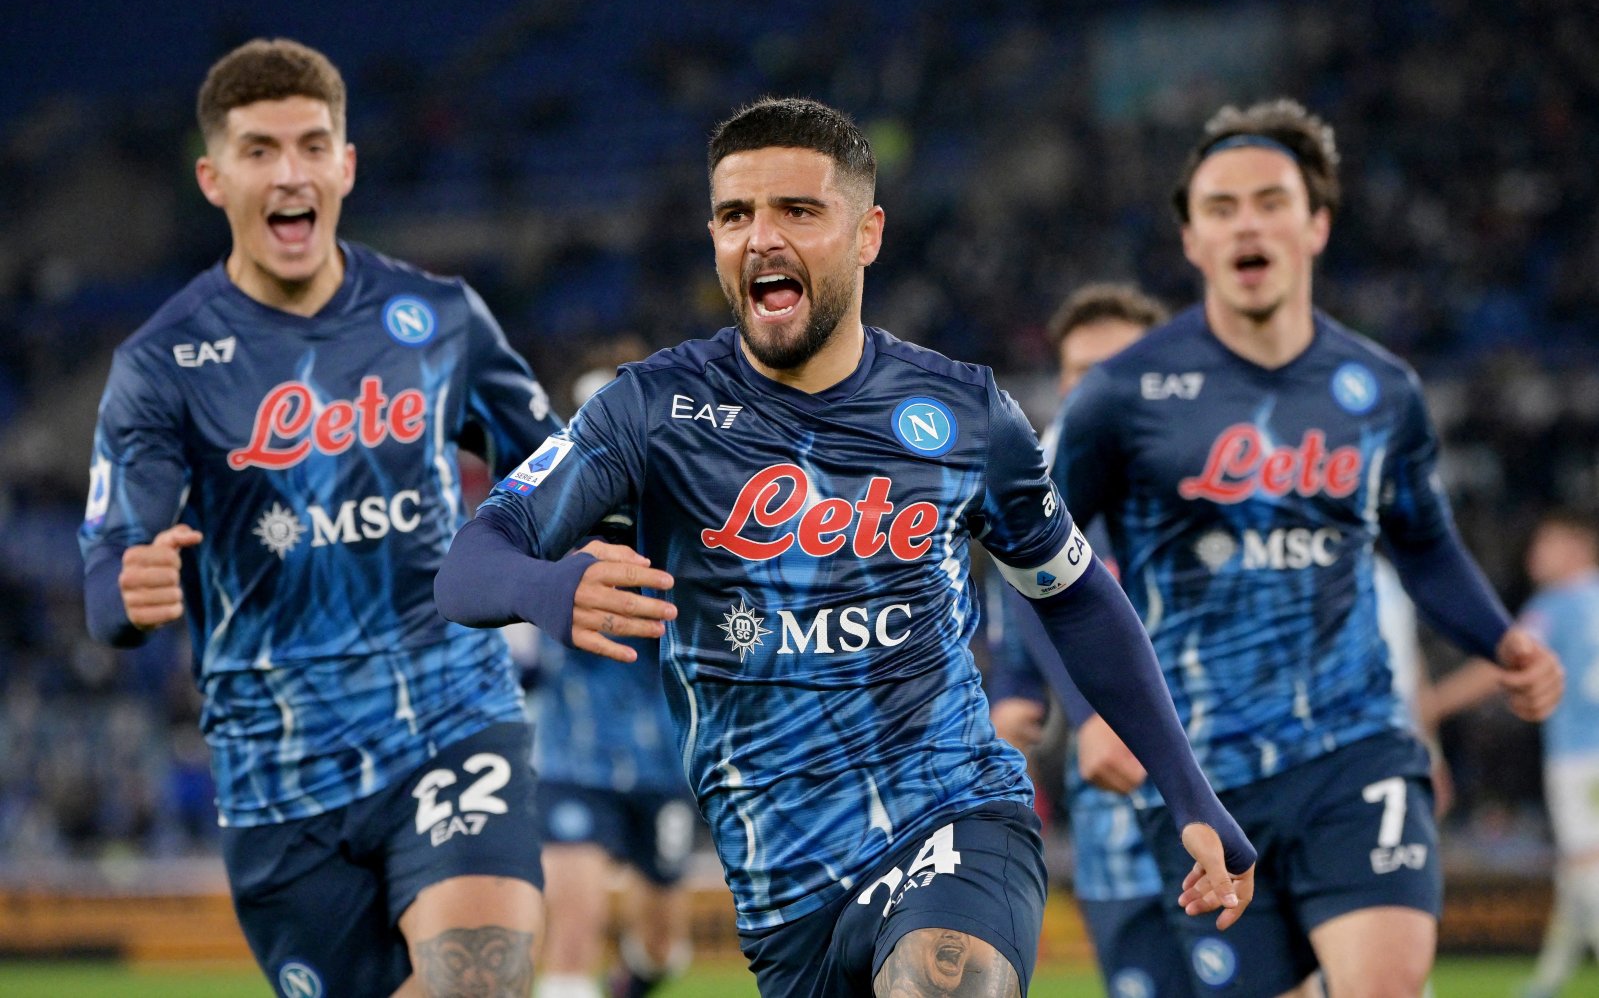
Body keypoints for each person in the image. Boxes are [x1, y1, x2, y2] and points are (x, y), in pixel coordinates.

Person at [436, 96, 1257, 997]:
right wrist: (548, 589)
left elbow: (1074, 595)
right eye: (735, 215)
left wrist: (1187, 791)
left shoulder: (967, 416)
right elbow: (471, 562)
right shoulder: (648, 411)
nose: (761, 238)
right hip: (786, 889)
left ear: (867, 233)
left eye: (797, 210)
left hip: (955, 812)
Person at [1051, 98, 1565, 997]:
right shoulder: (1121, 396)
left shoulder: (1381, 392)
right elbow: (1039, 563)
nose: (1246, 221)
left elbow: (1424, 543)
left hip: (1353, 746)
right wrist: (1090, 710)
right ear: (1190, 241)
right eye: (1220, 207)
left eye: (1269, 200)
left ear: (1315, 224)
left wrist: (1499, 639)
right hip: (1200, 775)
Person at [79, 38, 557, 998]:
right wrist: (126, 593)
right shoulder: (161, 363)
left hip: (448, 721)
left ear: (345, 164)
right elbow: (107, 579)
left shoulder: (441, 319)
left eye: (310, 145)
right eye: (260, 150)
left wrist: (586, 547)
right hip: (278, 774)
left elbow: (551, 470)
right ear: (214, 178)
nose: (289, 172)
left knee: (482, 979)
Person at [984, 283, 1196, 998]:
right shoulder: (1036, 489)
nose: (1093, 387)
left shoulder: (1212, 480)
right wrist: (1016, 695)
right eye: (1078, 370)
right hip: (1112, 808)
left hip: (1228, 786)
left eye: (1117, 366)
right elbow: (1020, 610)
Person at [531, 350, 698, 998]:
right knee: (573, 926)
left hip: (661, 758)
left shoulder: (687, 521)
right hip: (574, 757)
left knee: (662, 943)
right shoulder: (546, 515)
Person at [1515, 510, 1599, 998]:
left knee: (1587, 866)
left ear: (1576, 547)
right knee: (1576, 870)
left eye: (1545, 544)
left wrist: (1435, 704)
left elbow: (1514, 655)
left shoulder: (1557, 602)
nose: (1534, 557)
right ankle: (1549, 979)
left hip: (1577, 757)